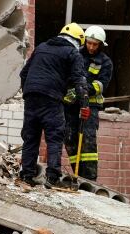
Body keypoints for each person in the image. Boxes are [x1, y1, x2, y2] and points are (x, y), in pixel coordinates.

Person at [19, 23, 89, 187]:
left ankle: (27, 175)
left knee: (30, 137)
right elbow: (80, 81)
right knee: (54, 137)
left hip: (31, 96)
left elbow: (23, 73)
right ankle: (53, 178)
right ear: (78, 41)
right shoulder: (73, 52)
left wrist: (29, 92)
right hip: (51, 98)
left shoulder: (42, 47)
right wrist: (84, 105)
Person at [63, 25, 113, 180]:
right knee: (70, 139)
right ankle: (77, 175)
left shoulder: (105, 62)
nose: (91, 47)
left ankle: (90, 178)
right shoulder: (75, 54)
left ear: (100, 45)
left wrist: (81, 91)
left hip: (90, 106)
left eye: (95, 44)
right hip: (71, 106)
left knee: (88, 141)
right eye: (89, 43)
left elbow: (100, 85)